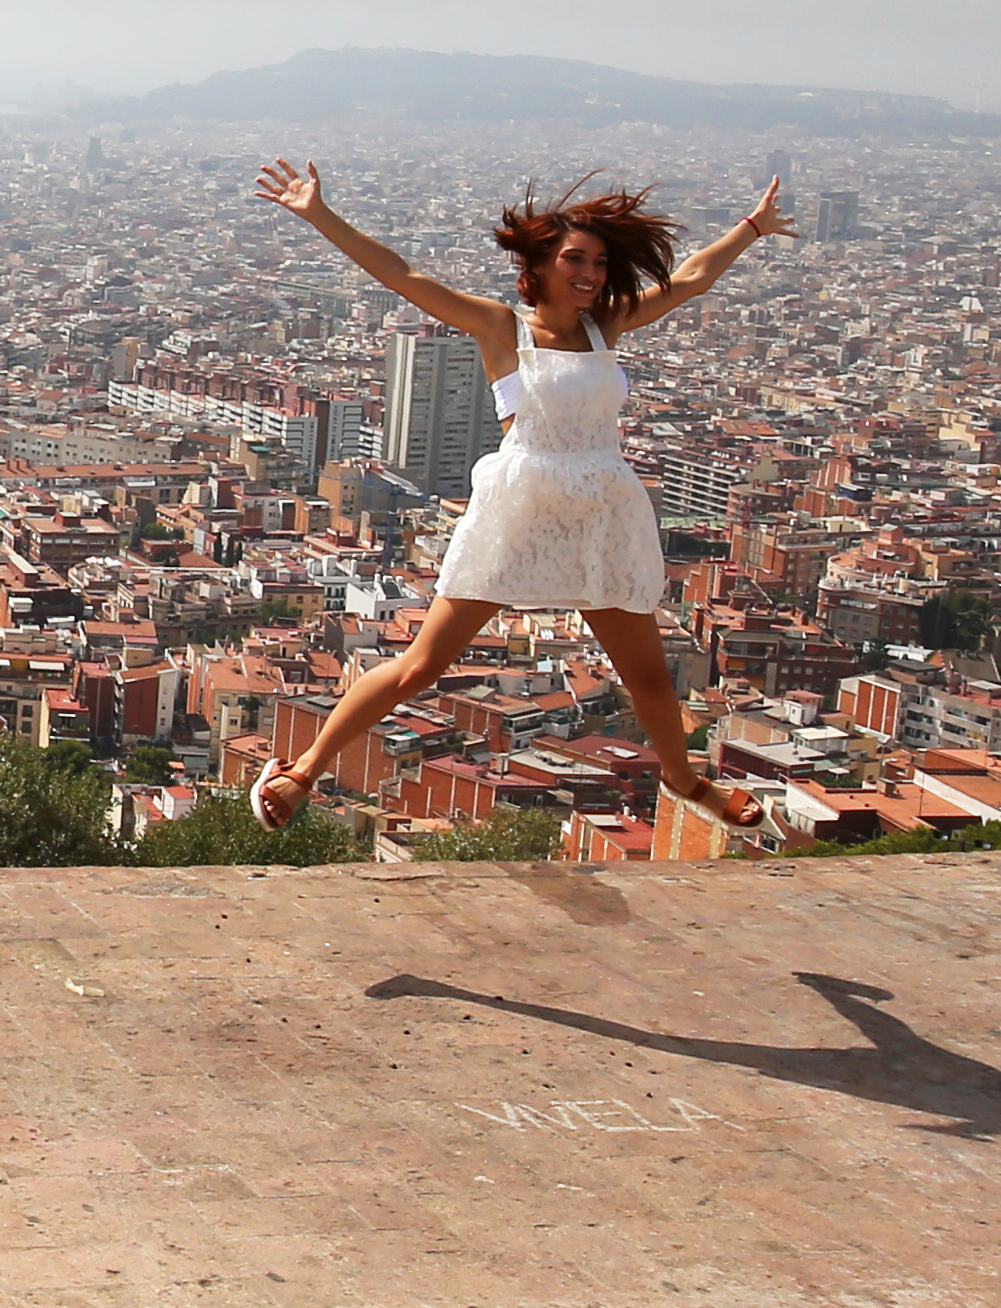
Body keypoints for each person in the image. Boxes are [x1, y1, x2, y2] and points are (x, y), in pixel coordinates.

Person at [246, 163, 791, 839]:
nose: (589, 273)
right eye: (574, 259)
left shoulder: (605, 328)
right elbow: (403, 276)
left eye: (598, 261)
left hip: (602, 512)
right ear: (538, 263)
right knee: (421, 665)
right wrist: (318, 214)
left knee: (649, 679)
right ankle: (302, 772)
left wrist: (750, 229)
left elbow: (688, 280)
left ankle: (686, 782)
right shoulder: (504, 327)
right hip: (523, 509)